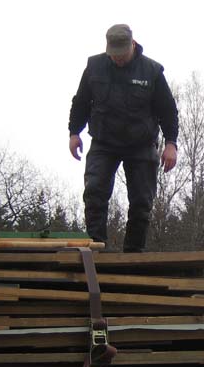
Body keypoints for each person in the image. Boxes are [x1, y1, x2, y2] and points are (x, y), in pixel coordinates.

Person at [68, 24, 179, 252]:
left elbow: (168, 110)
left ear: (133, 45)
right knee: (94, 192)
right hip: (104, 142)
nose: (118, 59)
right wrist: (74, 132)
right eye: (114, 55)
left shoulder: (152, 71)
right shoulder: (95, 67)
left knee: (141, 201)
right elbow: (80, 101)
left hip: (140, 144)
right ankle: (96, 247)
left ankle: (133, 253)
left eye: (122, 54)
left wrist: (171, 144)